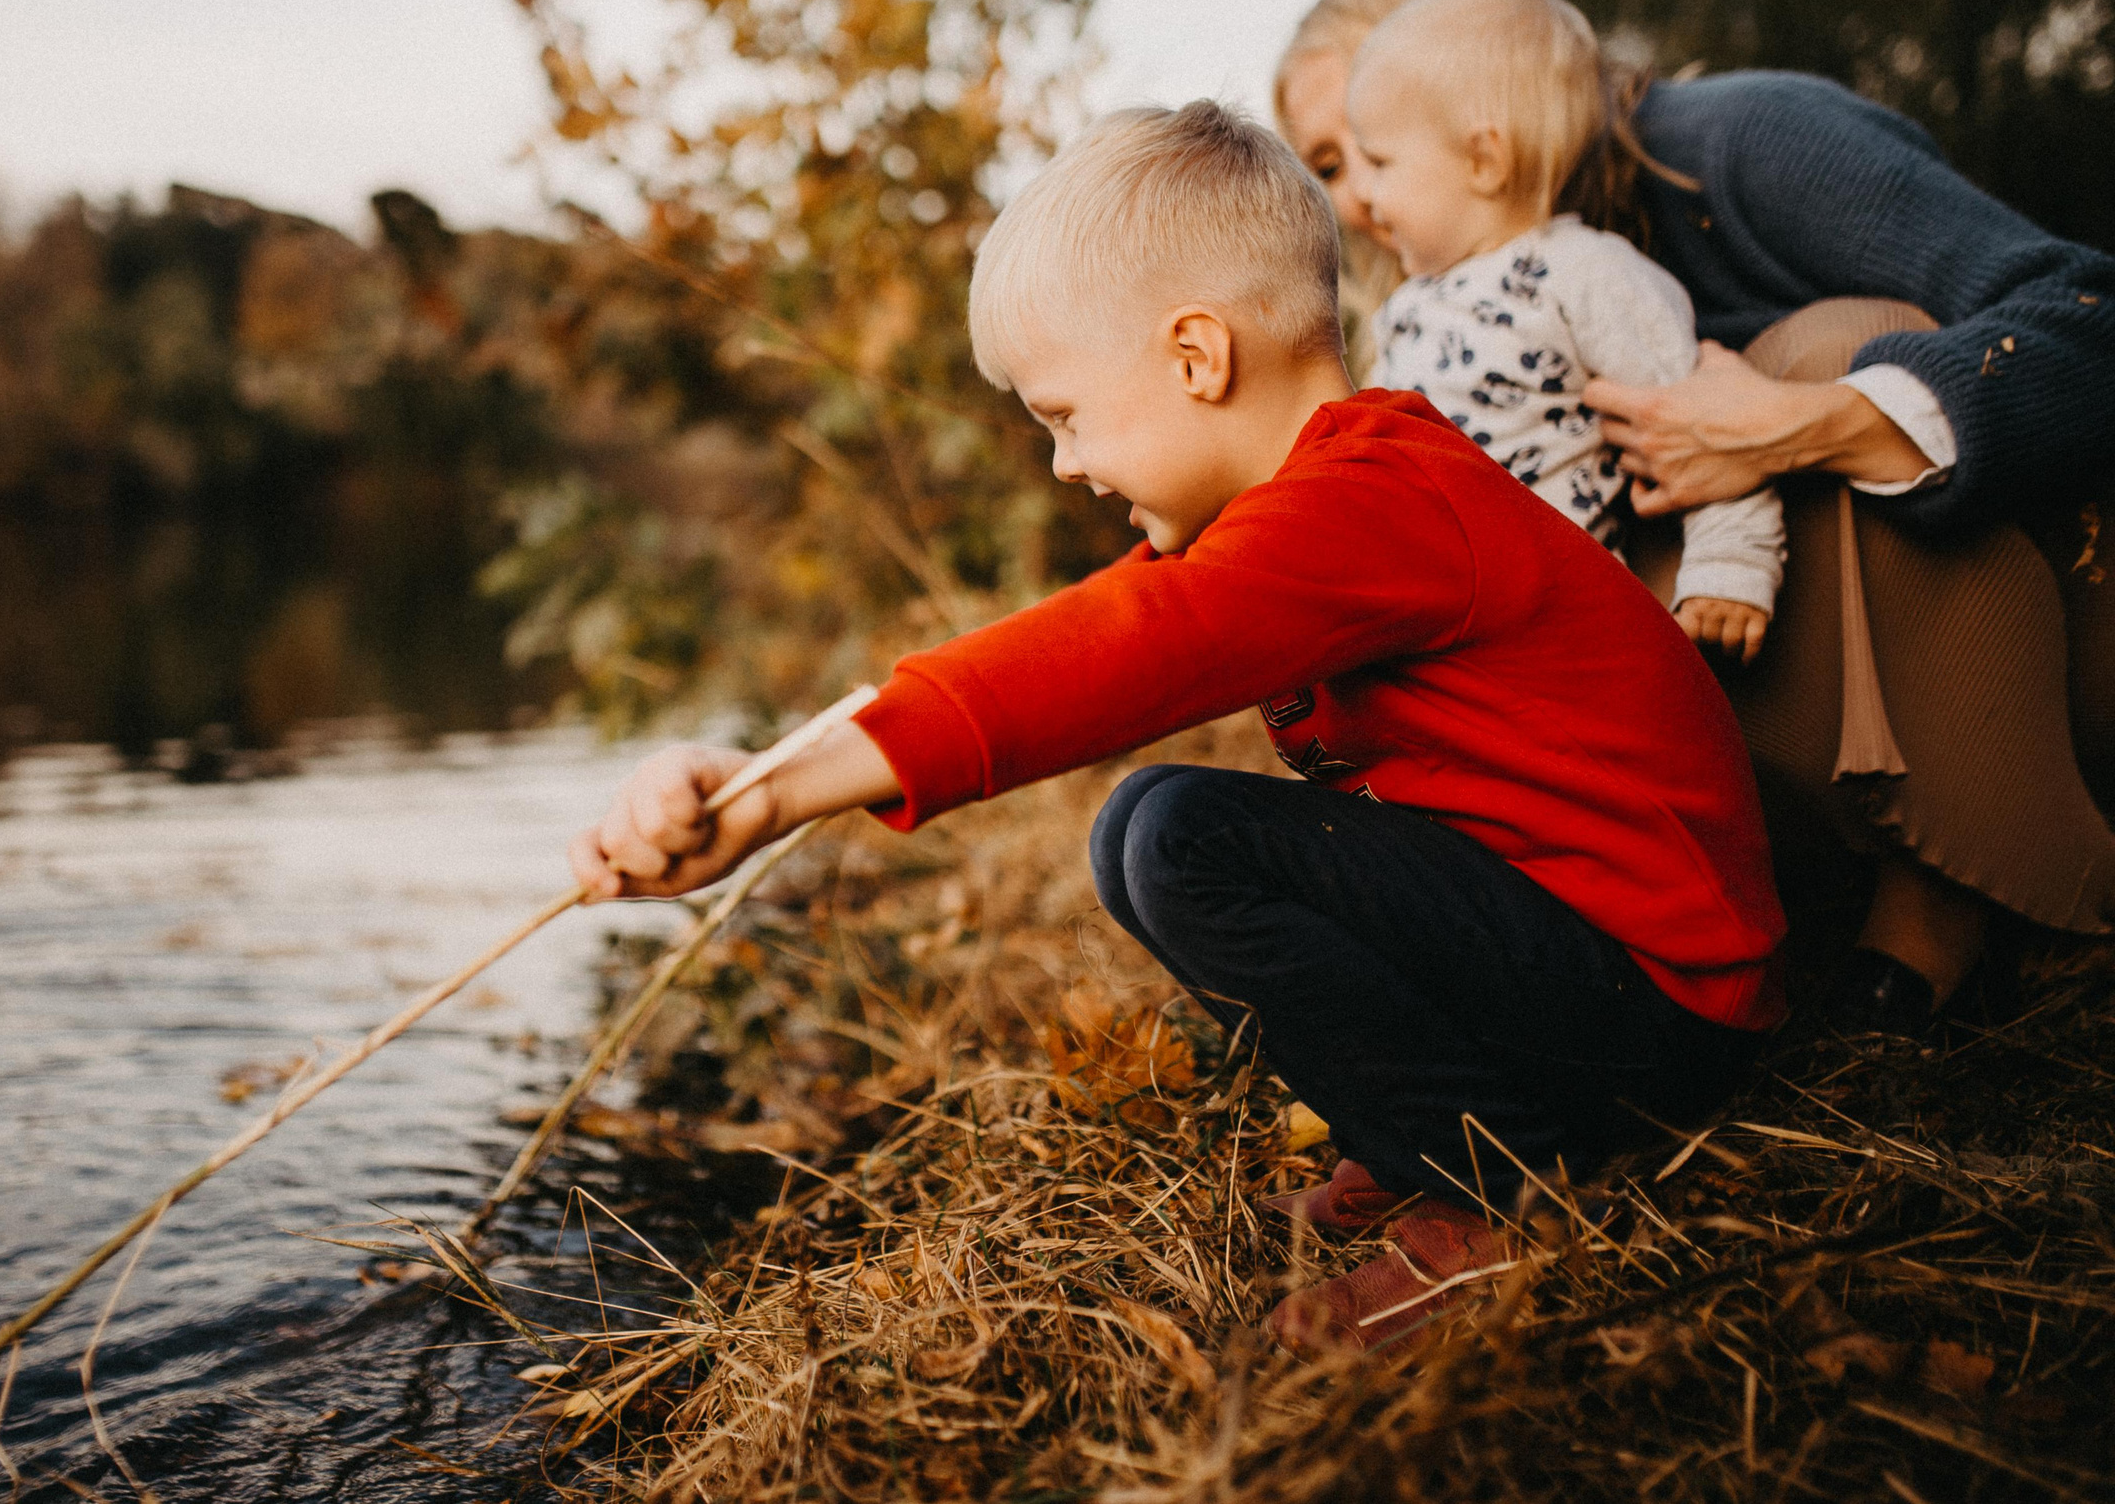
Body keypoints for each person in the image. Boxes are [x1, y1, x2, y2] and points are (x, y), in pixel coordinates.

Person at [570, 101, 1784, 1354]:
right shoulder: (1332, 496)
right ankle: (1429, 1133)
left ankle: (1487, 1197)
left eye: (1066, 416)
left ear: (1198, 356)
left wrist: (778, 798)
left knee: (1175, 832)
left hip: (1660, 999)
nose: (1063, 465)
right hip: (1578, 960)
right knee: (1147, 836)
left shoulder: (1369, 500)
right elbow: (1099, 626)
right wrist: (776, 760)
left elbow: (1133, 645)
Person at [1277, 0, 2115, 1038]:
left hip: (2050, 623)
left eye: (1362, 149)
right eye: (1330, 170)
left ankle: (1951, 887)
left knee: (1826, 347)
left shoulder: (1741, 138)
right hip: (1796, 660)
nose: (1356, 203)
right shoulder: (1460, 303)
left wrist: (1809, 421)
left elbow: (2087, 311)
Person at [1347, 0, 1783, 662]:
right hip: (1434, 638)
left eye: (1381, 161)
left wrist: (1731, 565)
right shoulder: (1409, 304)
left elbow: (1705, 429)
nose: (1364, 195)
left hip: (1554, 643)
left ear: (1484, 160)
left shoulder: (1585, 274)